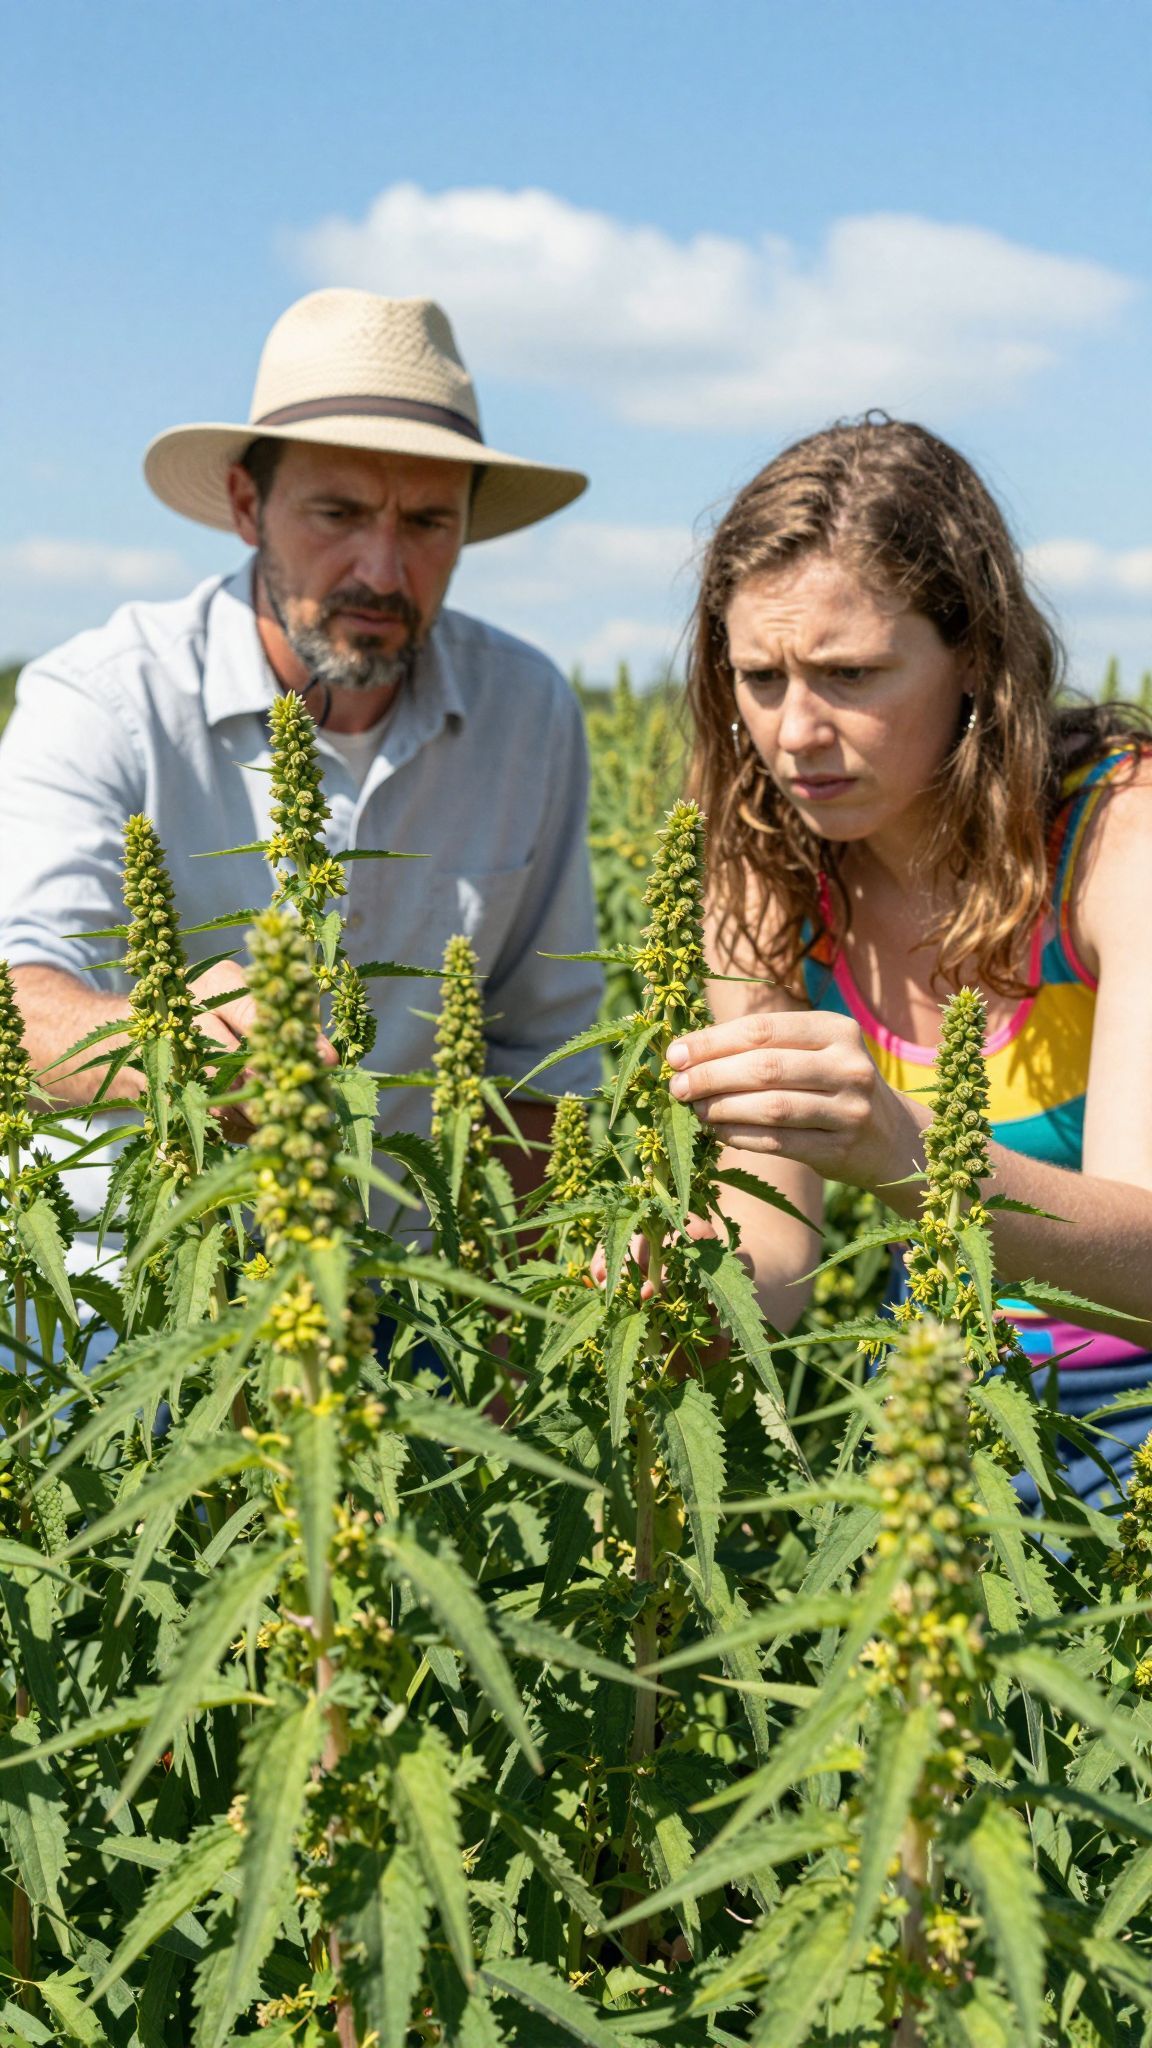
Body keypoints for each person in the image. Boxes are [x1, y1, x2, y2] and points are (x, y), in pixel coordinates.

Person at [0, 289, 603, 1216]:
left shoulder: (527, 715)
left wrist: (537, 1332)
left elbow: (544, 1057)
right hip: (131, 1291)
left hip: (404, 1305)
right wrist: (158, 1046)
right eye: (337, 513)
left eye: (428, 523)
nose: (382, 571)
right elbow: (16, 993)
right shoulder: (103, 701)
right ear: (248, 504)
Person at [666, 417, 1152, 1501]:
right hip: (933, 1427)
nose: (794, 733)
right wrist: (688, 1289)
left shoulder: (1121, 841)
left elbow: (1146, 1282)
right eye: (759, 676)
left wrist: (913, 1155)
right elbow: (776, 1243)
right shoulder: (765, 866)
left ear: (975, 650)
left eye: (850, 673)